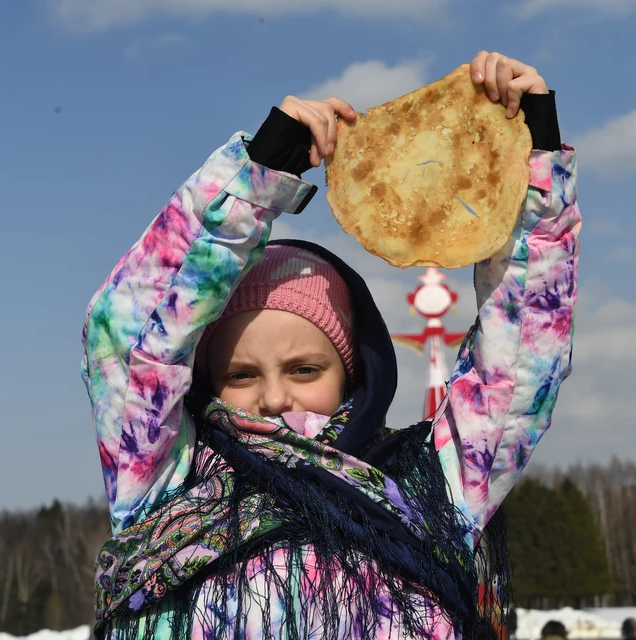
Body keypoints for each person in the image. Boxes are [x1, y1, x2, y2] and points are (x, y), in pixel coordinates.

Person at [81, 49, 579, 640]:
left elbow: (519, 366)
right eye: (240, 375)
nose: (272, 395)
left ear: (350, 371)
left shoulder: (434, 483)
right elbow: (129, 343)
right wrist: (255, 177)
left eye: (303, 368)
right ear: (207, 379)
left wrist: (533, 159)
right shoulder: (167, 478)